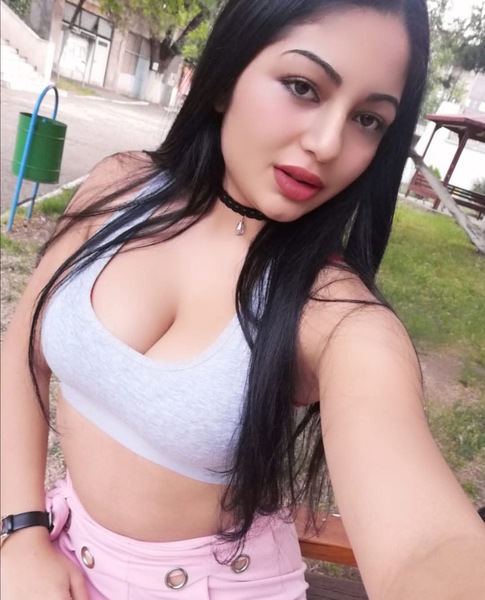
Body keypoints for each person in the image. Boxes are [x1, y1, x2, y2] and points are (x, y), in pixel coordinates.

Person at [2, 0, 485, 598]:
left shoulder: (336, 317)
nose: (328, 143)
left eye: (368, 119)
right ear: (227, 76)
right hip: (59, 555)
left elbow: (427, 544)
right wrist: (21, 532)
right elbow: (21, 357)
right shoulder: (117, 188)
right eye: (303, 87)